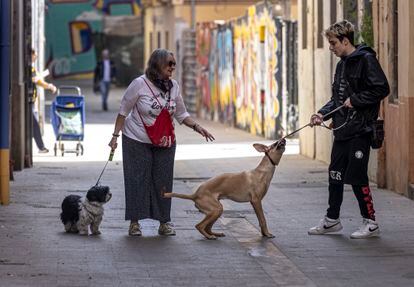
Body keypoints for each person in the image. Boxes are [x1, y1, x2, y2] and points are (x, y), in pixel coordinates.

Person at [108, 49, 215, 236]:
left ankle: (164, 222)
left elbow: (181, 113)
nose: (172, 67)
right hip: (136, 139)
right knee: (137, 180)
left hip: (165, 141)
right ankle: (135, 222)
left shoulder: (174, 86)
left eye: (174, 64)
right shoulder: (139, 84)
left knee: (163, 181)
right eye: (169, 63)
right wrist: (115, 136)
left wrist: (198, 128)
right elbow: (123, 111)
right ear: (157, 64)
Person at [308, 20, 389, 239]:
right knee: (334, 174)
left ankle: (371, 223)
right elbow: (337, 99)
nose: (331, 47)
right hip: (342, 130)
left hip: (360, 129)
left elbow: (382, 88)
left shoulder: (366, 60)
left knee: (356, 176)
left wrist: (356, 99)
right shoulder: (341, 64)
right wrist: (321, 114)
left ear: (345, 41)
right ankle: (332, 220)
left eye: (333, 43)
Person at [31, 49, 57, 153]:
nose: (36, 57)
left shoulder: (31, 68)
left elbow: (37, 80)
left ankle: (40, 147)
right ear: (31, 55)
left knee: (35, 125)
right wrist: (49, 86)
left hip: (33, 101)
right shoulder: (29, 68)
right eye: (35, 55)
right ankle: (41, 147)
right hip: (29, 101)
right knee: (35, 124)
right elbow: (36, 80)